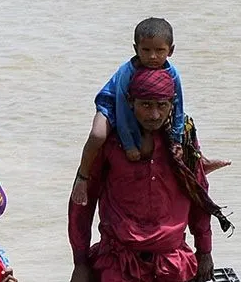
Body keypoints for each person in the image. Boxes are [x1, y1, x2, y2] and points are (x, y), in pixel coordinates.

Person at [69, 66, 222, 282]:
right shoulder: (110, 144)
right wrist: (79, 261)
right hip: (119, 261)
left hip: (170, 261)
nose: (154, 115)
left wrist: (205, 250)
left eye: (162, 106)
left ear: (173, 105)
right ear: (130, 103)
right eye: (145, 106)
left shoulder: (182, 143)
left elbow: (199, 195)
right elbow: (81, 203)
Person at [70, 17, 228, 207]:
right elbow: (121, 107)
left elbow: (178, 104)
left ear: (171, 50)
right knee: (97, 135)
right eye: (146, 50)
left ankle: (201, 163)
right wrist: (129, 145)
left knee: (187, 126)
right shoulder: (127, 72)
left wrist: (177, 139)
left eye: (159, 50)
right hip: (114, 104)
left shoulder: (173, 73)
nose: (153, 56)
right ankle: (83, 176)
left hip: (150, 105)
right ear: (136, 49)